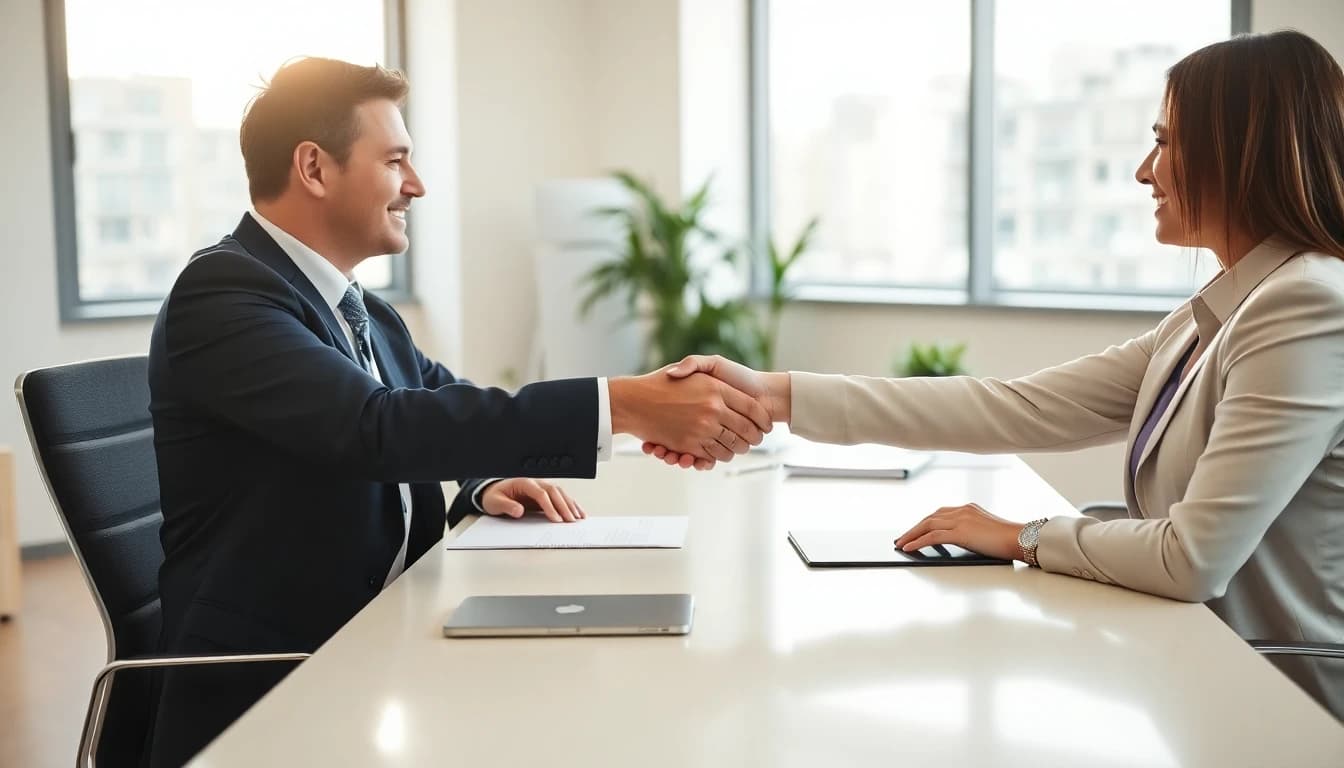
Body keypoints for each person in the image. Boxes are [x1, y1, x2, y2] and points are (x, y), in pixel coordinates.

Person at [648, 30, 1344, 718]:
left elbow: (1193, 558)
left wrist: (1022, 536)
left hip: (1284, 697)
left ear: (1239, 151)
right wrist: (771, 396)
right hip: (1207, 672)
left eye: (1165, 142)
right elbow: (1016, 407)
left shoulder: (1303, 304)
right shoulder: (1220, 313)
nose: (1143, 170)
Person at [145, 57, 770, 766]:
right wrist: (621, 404)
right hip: (272, 685)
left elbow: (433, 410)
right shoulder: (222, 294)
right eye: (396, 161)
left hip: (374, 650)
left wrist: (482, 480)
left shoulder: (364, 311)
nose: (417, 186)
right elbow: (373, 427)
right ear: (314, 168)